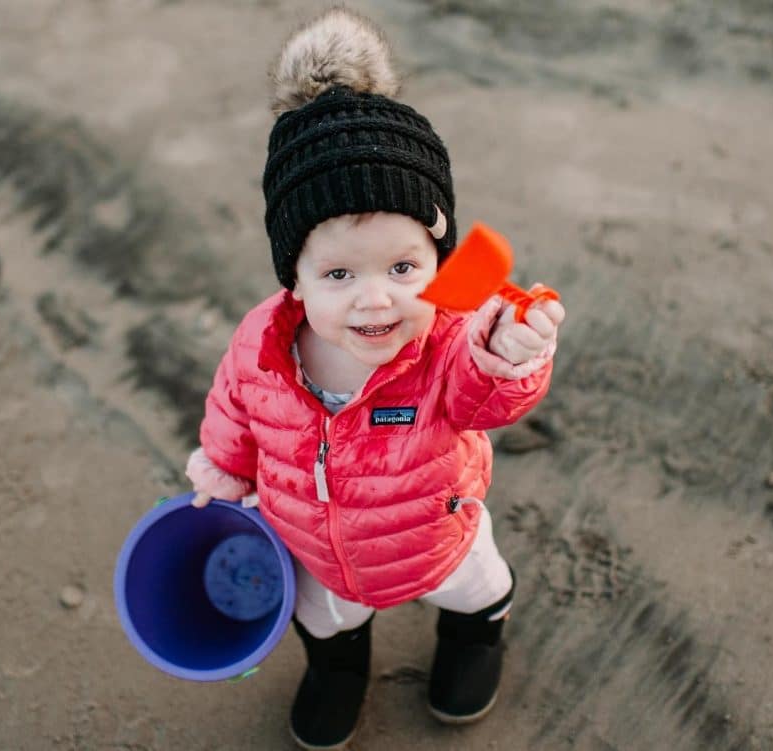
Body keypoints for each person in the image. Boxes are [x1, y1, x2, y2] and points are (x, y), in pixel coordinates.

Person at [185, 7, 565, 750]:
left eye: (403, 266)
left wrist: (510, 353)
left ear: (439, 260)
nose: (376, 297)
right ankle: (338, 669)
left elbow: (484, 398)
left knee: (476, 586)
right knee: (324, 616)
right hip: (316, 545)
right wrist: (225, 467)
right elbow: (233, 406)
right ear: (293, 276)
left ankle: (474, 639)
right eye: (338, 273)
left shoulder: (450, 337)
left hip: (432, 534)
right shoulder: (262, 342)